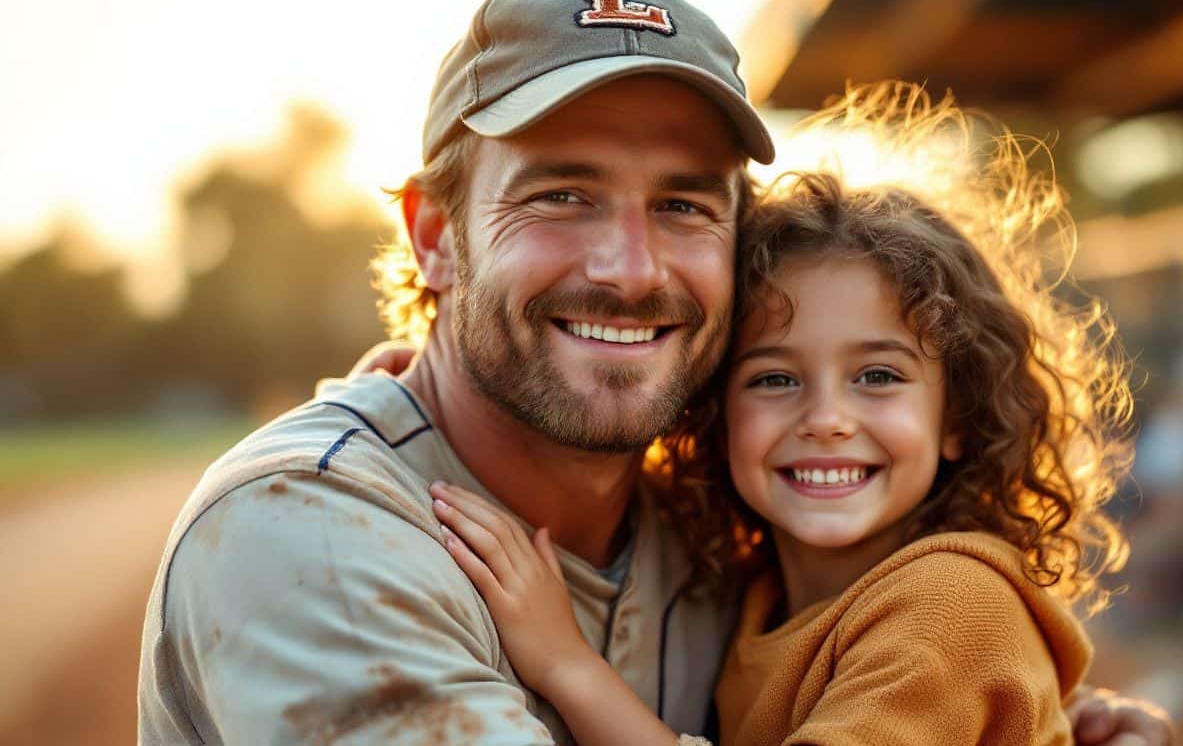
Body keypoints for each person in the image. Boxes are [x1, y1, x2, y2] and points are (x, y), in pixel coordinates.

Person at [138, 0, 1172, 744]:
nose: (630, 270)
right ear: (436, 236)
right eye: (561, 194)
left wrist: (1053, 719)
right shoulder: (304, 535)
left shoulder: (714, 531)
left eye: (682, 204)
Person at [427, 83, 1138, 745]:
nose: (826, 418)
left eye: (880, 375)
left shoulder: (949, 604)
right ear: (714, 409)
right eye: (773, 379)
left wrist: (565, 663)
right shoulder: (763, 592)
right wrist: (416, 373)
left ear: (960, 416)